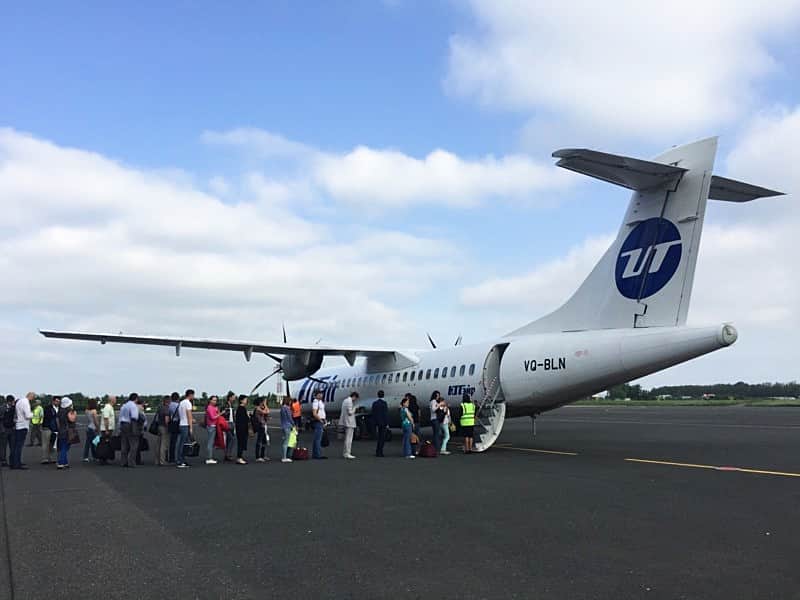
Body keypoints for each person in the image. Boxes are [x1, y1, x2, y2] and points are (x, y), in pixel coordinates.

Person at [11, 392, 33, 469]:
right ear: (30, 396)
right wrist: (33, 414)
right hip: (23, 425)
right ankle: (17, 464)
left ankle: (14, 462)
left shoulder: (19, 401)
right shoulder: (26, 402)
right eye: (33, 397)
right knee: (19, 446)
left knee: (16, 446)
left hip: (18, 425)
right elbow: (27, 415)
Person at [119, 393, 140, 468]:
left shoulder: (124, 406)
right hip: (130, 424)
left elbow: (120, 417)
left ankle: (123, 461)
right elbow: (134, 417)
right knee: (133, 444)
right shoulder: (133, 406)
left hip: (123, 424)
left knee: (124, 444)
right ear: (136, 399)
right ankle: (131, 462)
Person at [176, 389, 194, 468]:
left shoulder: (181, 402)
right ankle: (180, 461)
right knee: (184, 444)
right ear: (190, 395)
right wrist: (191, 427)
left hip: (181, 424)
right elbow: (189, 415)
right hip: (185, 425)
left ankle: (181, 460)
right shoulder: (188, 403)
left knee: (182, 443)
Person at [56, 397, 75, 469]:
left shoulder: (60, 411)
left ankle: (65, 462)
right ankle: (61, 462)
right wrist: (73, 412)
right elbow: (72, 419)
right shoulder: (69, 411)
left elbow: (57, 421)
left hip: (61, 430)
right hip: (68, 431)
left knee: (62, 446)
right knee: (65, 447)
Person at [42, 396, 60, 464]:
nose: (58, 403)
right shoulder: (47, 408)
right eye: (56, 401)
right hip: (47, 427)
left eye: (59, 401)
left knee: (53, 444)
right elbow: (47, 417)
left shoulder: (60, 408)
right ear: (53, 401)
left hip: (56, 428)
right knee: (46, 443)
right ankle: (45, 458)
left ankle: (51, 458)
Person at [154, 396, 170, 466]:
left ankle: (157, 460)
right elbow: (166, 419)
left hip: (159, 426)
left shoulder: (159, 407)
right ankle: (162, 461)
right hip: (164, 427)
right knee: (163, 445)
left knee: (158, 444)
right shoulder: (166, 408)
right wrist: (168, 426)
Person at [371, 390, 388, 458]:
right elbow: (385, 414)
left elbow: (373, 413)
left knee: (378, 438)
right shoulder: (384, 403)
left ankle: (377, 451)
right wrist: (387, 423)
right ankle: (380, 452)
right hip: (383, 423)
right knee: (382, 438)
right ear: (383, 395)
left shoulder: (374, 403)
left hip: (377, 422)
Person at [341, 391, 357, 459]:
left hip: (346, 421)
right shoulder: (350, 402)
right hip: (350, 422)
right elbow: (350, 412)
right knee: (349, 439)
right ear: (354, 396)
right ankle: (348, 453)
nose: (355, 400)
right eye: (355, 398)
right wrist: (355, 408)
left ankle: (345, 453)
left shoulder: (345, 401)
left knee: (347, 438)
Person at [311, 390, 327, 460]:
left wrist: (324, 420)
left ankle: (316, 454)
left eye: (321, 394)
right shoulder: (315, 402)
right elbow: (314, 413)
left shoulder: (320, 402)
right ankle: (317, 455)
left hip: (322, 420)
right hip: (318, 421)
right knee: (318, 439)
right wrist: (320, 420)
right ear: (316, 395)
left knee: (318, 438)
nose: (321, 395)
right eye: (319, 394)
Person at [0, 395, 15, 467]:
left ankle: (12, 460)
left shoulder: (13, 408)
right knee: (3, 446)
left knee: (12, 445)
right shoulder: (2, 408)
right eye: (12, 401)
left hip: (11, 429)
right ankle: (3, 460)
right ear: (9, 401)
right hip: (4, 429)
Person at [82, 398, 99, 462]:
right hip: (93, 428)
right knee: (94, 443)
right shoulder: (94, 411)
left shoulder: (86, 410)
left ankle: (88, 456)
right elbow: (95, 421)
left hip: (89, 427)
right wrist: (98, 428)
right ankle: (92, 456)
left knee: (89, 443)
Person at [234, 395, 249, 465]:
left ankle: (240, 457)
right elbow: (244, 419)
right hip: (241, 429)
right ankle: (239, 458)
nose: (246, 401)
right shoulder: (241, 408)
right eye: (245, 399)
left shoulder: (242, 408)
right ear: (241, 400)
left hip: (241, 428)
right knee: (241, 443)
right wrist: (248, 416)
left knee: (241, 443)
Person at [205, 395, 220, 465]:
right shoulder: (209, 407)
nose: (215, 401)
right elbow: (212, 417)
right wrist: (220, 414)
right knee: (210, 442)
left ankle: (210, 457)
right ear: (210, 400)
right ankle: (209, 458)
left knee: (211, 442)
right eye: (213, 400)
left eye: (216, 400)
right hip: (211, 426)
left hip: (213, 426)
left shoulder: (213, 407)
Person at [223, 392, 237, 462]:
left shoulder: (232, 405)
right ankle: (228, 454)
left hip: (232, 423)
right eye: (233, 397)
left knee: (230, 439)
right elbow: (223, 414)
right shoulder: (225, 405)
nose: (234, 398)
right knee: (231, 439)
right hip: (227, 423)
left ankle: (228, 454)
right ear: (230, 397)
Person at [167, 392, 180, 463]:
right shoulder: (178, 405)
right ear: (178, 398)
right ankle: (175, 457)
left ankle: (169, 457)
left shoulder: (169, 405)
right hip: (176, 422)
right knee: (176, 441)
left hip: (170, 422)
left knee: (171, 441)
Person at [280, 396, 294, 463]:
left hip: (283, 425)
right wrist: (293, 424)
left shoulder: (282, 408)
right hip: (288, 426)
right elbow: (290, 418)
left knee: (286, 441)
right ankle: (284, 457)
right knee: (287, 442)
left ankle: (285, 456)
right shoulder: (287, 408)